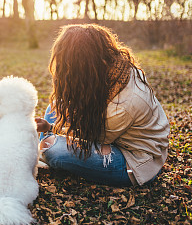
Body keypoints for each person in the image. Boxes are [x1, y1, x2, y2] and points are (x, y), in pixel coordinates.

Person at [36, 24, 170, 187]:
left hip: (133, 160)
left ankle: (48, 148)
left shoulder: (125, 103)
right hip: (113, 134)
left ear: (84, 65)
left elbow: (91, 136)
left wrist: (51, 128)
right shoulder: (116, 71)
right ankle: (49, 143)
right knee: (56, 106)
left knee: (54, 152)